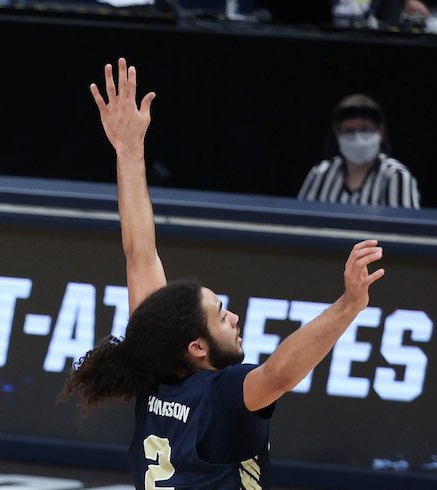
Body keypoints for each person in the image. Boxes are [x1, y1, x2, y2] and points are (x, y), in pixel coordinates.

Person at [60, 59, 385, 488]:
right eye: (220, 313)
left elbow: (140, 252)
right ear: (196, 346)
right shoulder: (222, 393)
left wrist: (128, 149)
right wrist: (347, 306)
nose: (233, 318)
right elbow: (278, 374)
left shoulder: (157, 367)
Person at [297, 94, 420, 208]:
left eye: (365, 129)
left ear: (380, 132)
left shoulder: (396, 176)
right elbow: (299, 222)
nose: (358, 138)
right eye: (349, 131)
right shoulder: (320, 173)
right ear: (337, 134)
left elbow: (404, 230)